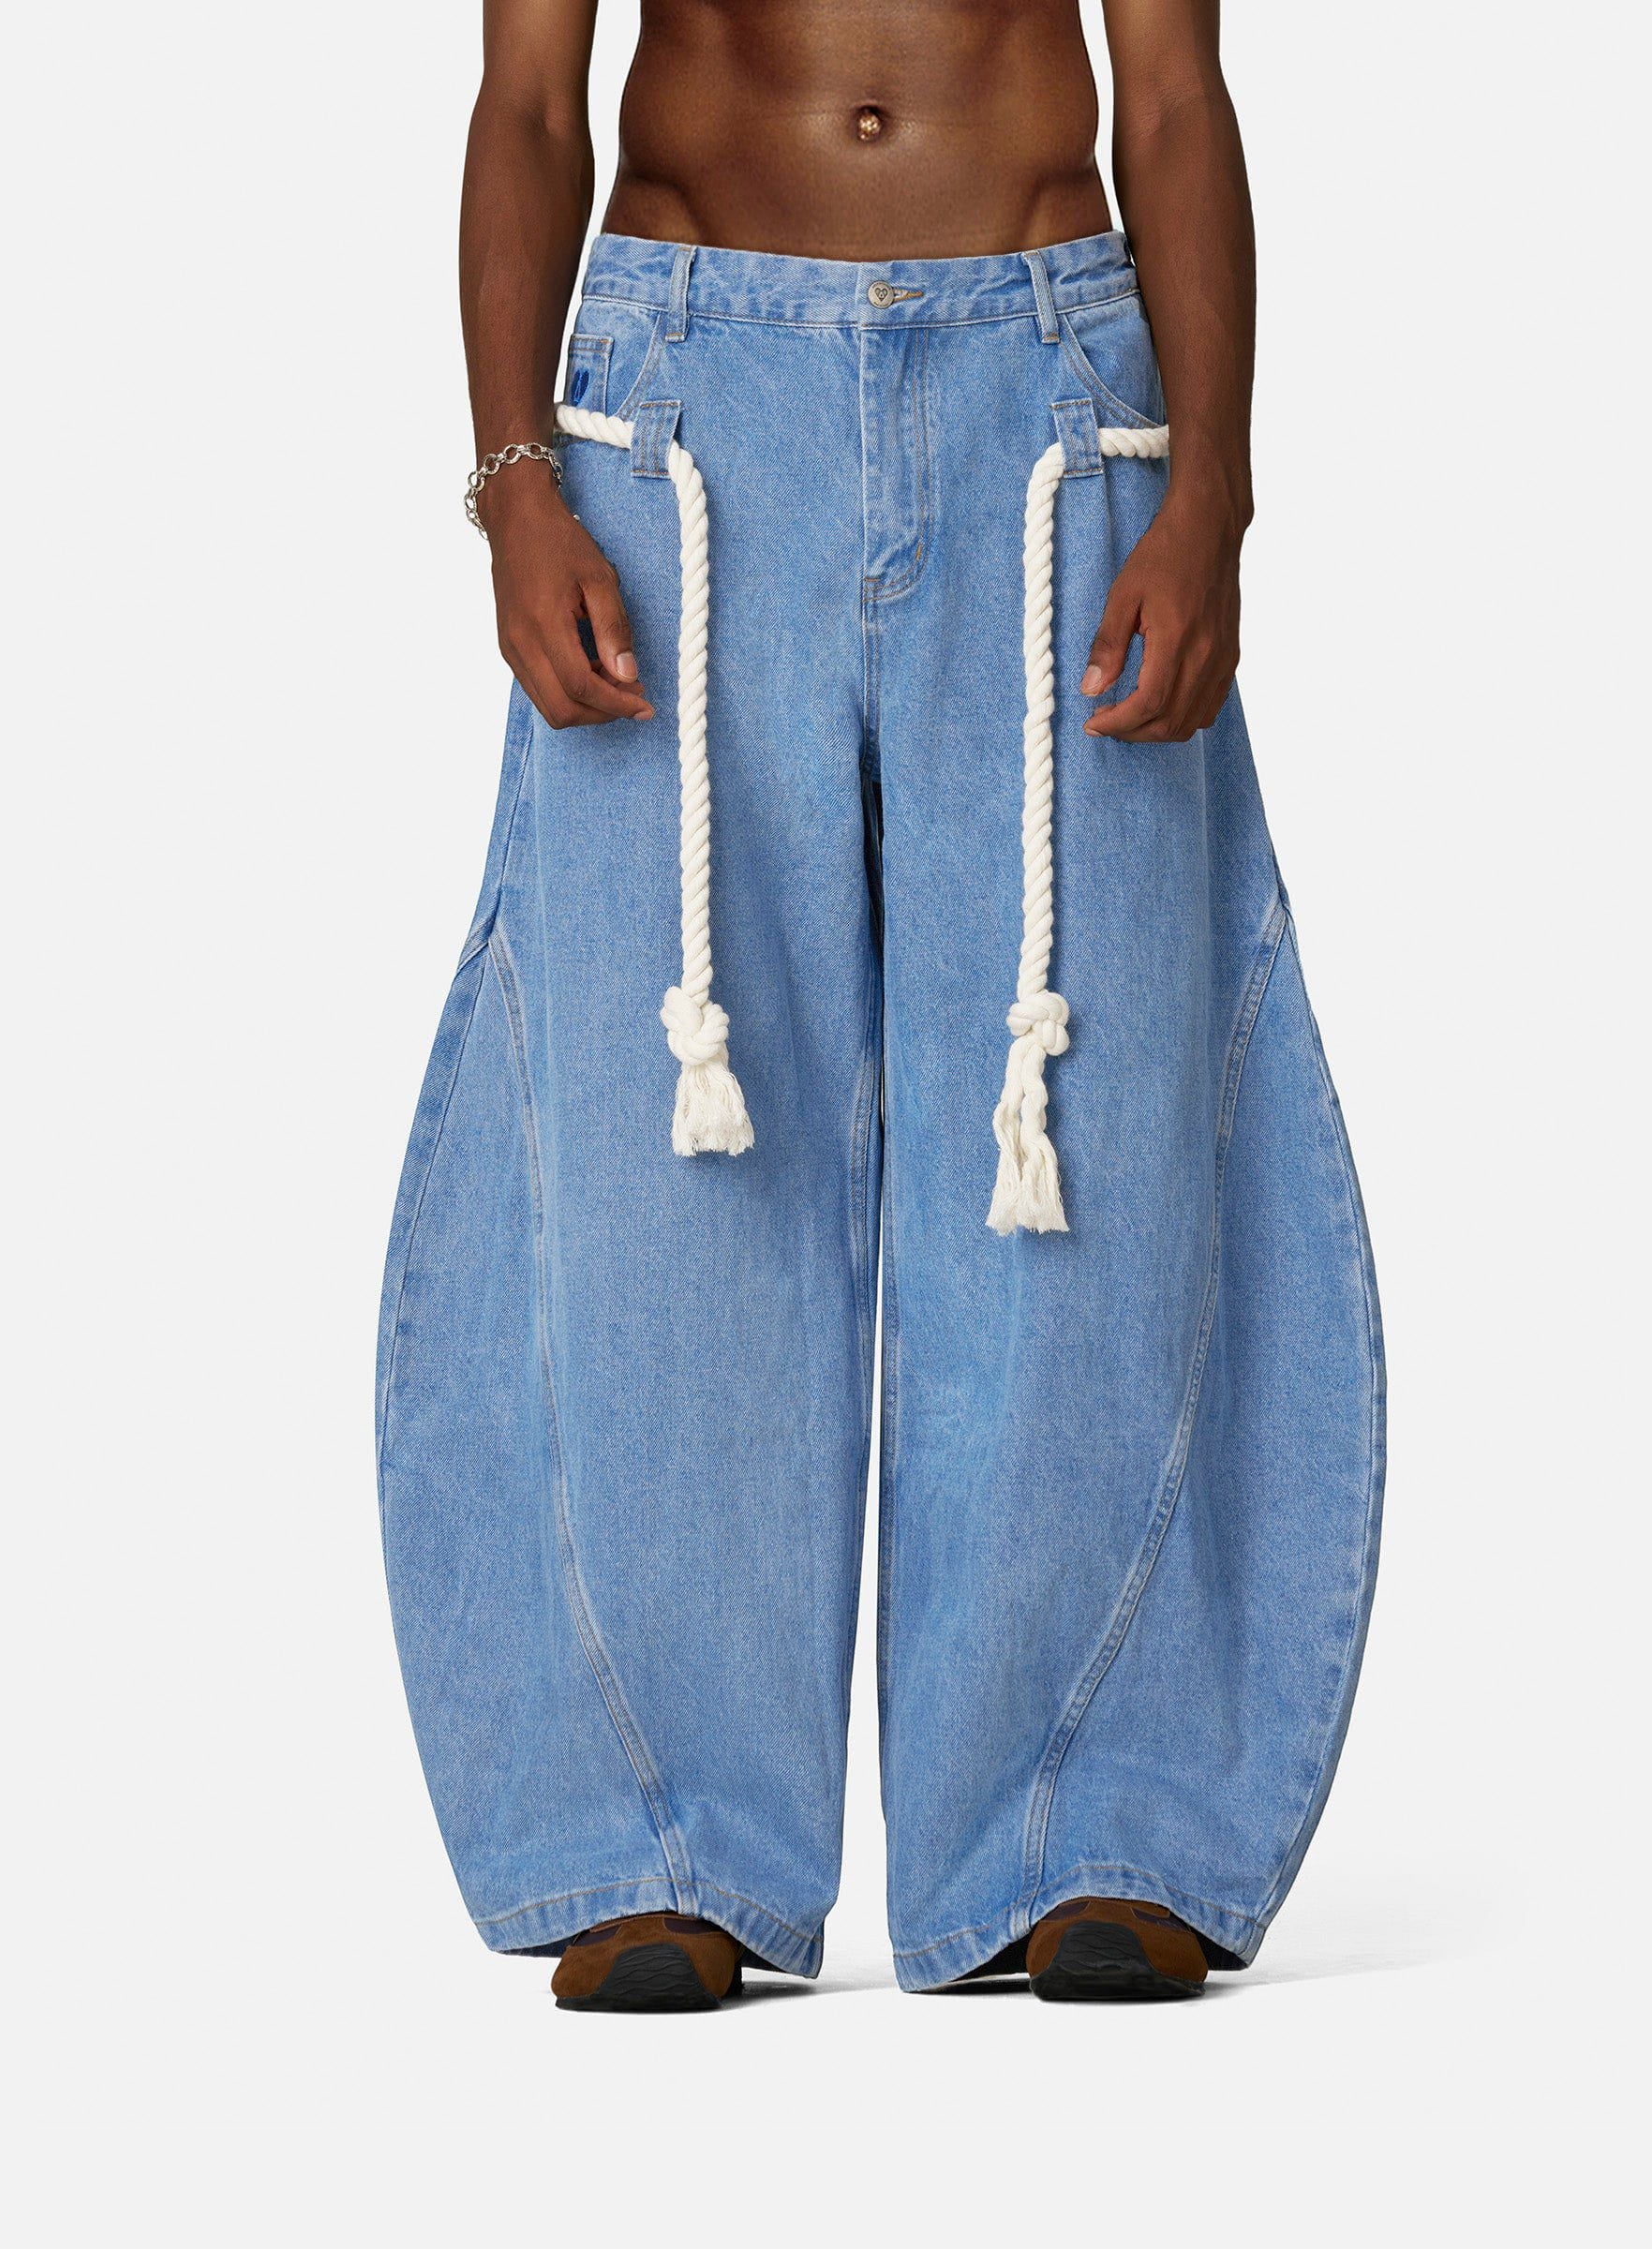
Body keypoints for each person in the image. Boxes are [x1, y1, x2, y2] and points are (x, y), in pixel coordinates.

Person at [378, 0, 1384, 2011]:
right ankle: (665, 1832)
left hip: (1051, 390)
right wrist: (515, 485)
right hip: (680, 405)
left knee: (1077, 1092)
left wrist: (1211, 487)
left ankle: (1087, 1815)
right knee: (669, 1125)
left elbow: (1175, 94)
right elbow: (525, 99)